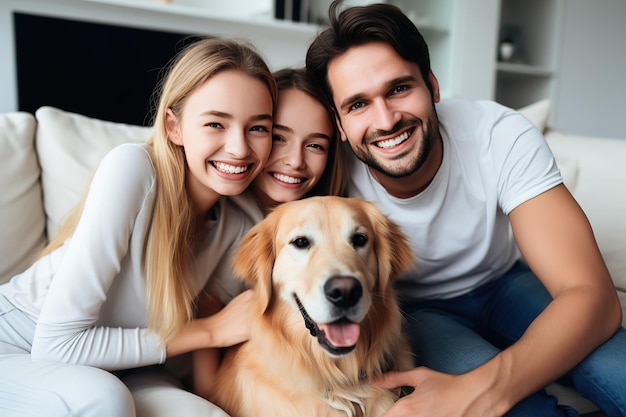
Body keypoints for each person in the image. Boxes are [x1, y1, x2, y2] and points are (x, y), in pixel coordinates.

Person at [305, 2, 626, 416]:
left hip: (505, 281)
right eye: (358, 105)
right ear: (339, 123)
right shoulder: (325, 170)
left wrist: (486, 388)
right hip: (416, 311)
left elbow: (592, 296)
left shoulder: (499, 135)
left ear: (433, 86)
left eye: (399, 88)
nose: (385, 120)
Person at [0, 37, 277, 417]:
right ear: (174, 127)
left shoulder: (239, 223)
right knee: (103, 399)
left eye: (258, 128)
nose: (240, 148)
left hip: (127, 367)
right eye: (216, 123)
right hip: (19, 344)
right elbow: (58, 346)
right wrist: (212, 330)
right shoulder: (133, 168)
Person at [192, 66, 346, 399]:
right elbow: (209, 303)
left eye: (316, 146)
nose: (295, 161)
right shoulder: (230, 220)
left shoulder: (329, 215)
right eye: (279, 138)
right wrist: (208, 395)